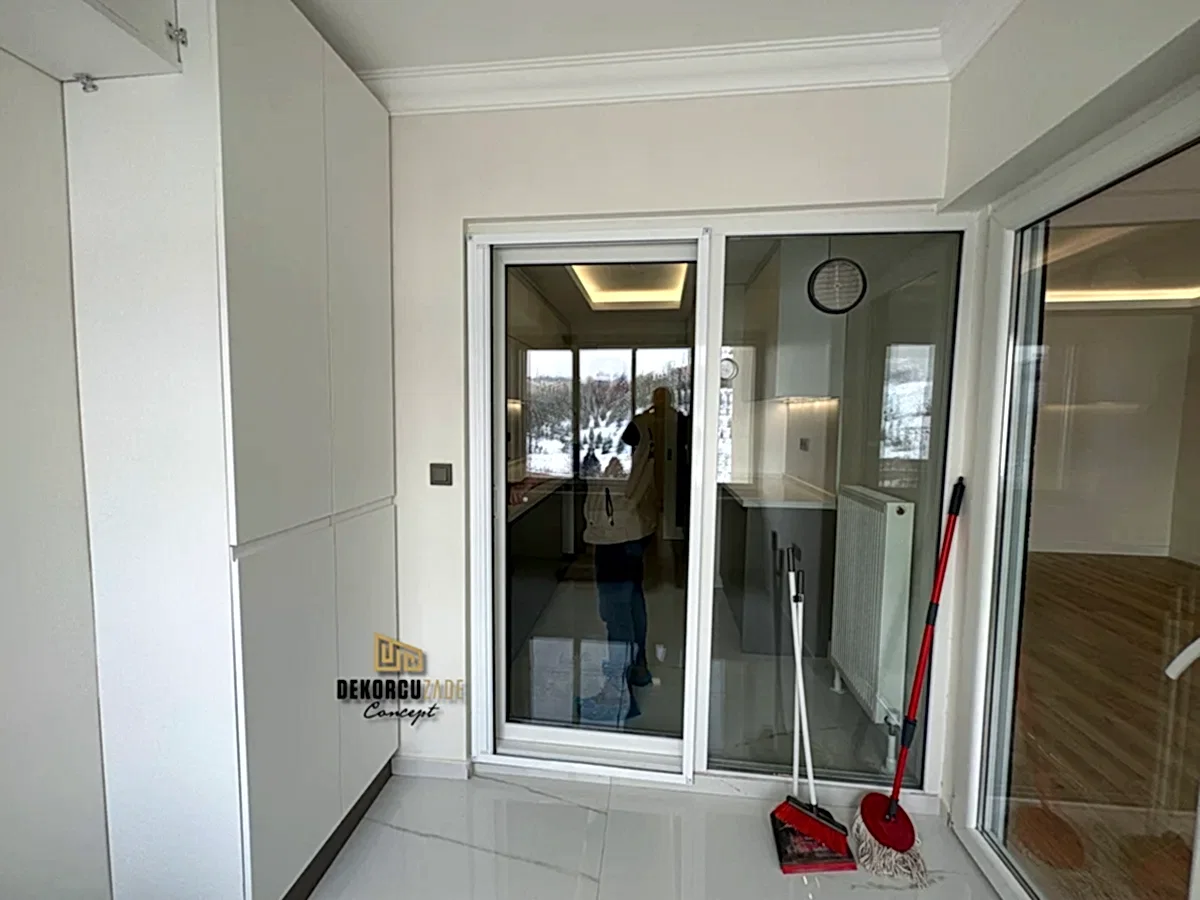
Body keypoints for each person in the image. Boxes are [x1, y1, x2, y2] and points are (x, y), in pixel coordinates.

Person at [578, 436, 657, 723]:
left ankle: (617, 695)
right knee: (631, 602)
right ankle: (638, 669)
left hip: (616, 531)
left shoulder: (616, 428)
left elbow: (599, 471)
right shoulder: (636, 428)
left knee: (616, 613)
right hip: (631, 526)